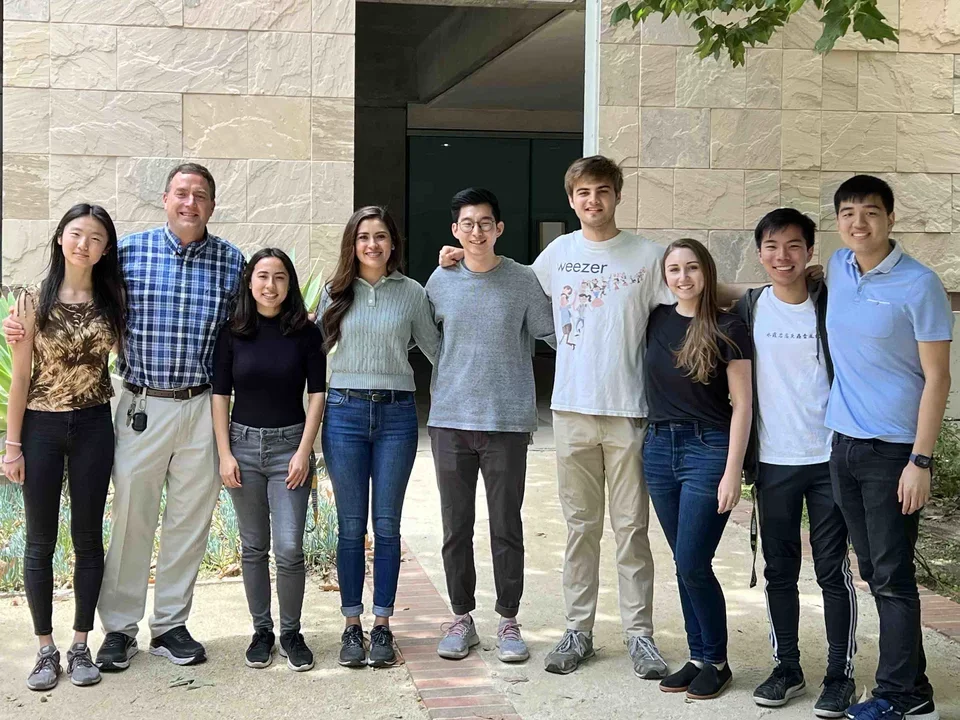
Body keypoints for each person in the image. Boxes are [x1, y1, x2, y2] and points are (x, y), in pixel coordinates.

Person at [5, 163, 246, 669]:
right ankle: (118, 628)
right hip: (140, 404)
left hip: (202, 406)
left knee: (189, 520)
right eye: (181, 193)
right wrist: (20, 322)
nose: (190, 203)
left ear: (212, 206)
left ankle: (171, 624)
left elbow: (254, 320)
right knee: (132, 519)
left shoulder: (231, 261)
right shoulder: (130, 253)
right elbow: (75, 291)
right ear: (164, 198)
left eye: (200, 195)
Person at [441, 156, 673, 679]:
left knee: (632, 529)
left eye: (603, 191)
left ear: (617, 195)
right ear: (571, 201)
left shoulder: (648, 256)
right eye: (583, 193)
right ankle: (579, 630)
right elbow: (499, 278)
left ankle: (640, 635)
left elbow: (693, 292)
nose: (593, 201)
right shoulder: (556, 256)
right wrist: (459, 254)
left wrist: (761, 295)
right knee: (580, 528)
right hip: (570, 410)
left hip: (628, 411)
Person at [824, 176, 951, 720]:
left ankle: (900, 696)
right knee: (875, 569)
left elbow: (938, 378)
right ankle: (913, 683)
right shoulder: (838, 267)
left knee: (893, 575)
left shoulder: (920, 285)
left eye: (871, 212)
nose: (859, 223)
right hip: (845, 445)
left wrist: (920, 460)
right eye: (849, 213)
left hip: (893, 452)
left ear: (891, 218)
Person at [736, 208, 858, 717]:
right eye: (771, 246)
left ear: (810, 251)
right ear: (759, 253)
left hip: (830, 456)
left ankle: (840, 675)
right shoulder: (748, 308)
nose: (781, 256)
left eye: (792, 246)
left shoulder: (833, 303)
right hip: (773, 460)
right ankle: (787, 665)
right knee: (779, 570)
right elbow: (688, 284)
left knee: (834, 571)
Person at [426, 188, 554, 664]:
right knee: (455, 527)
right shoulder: (439, 280)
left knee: (506, 525)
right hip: (450, 422)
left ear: (499, 229)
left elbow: (552, 334)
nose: (476, 231)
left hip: (505, 423)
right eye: (467, 223)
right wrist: (454, 368)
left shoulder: (523, 280)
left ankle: (508, 620)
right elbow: (425, 336)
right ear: (455, 231)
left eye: (485, 223)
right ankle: (461, 618)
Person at [3, 204, 125, 691]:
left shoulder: (114, 299)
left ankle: (80, 644)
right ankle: (45, 649)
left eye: (95, 238)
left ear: (104, 249)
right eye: (76, 234)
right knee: (40, 541)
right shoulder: (32, 302)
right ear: (59, 239)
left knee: (88, 538)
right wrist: (12, 445)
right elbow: (20, 378)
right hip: (41, 428)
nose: (84, 244)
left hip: (95, 424)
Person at [319, 206, 440, 669]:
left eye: (381, 237)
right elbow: (311, 358)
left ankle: (383, 625)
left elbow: (437, 351)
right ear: (352, 244)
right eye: (364, 237)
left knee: (387, 526)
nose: (372, 245)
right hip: (344, 414)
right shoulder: (334, 293)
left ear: (393, 244)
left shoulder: (411, 294)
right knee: (351, 526)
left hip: (396, 416)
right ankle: (351, 625)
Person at [642, 238, 752, 700]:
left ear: (706, 273)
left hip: (709, 449)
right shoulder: (655, 319)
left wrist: (733, 472)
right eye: (673, 270)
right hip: (657, 448)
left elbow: (744, 405)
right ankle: (698, 656)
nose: (683, 277)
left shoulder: (728, 327)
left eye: (692, 268)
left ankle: (719, 660)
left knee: (693, 561)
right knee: (683, 562)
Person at [212, 248, 326, 672]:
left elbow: (318, 394)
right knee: (254, 546)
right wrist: (225, 454)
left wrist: (304, 451)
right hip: (241, 446)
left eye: (279, 277)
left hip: (289, 449)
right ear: (250, 281)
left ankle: (292, 632)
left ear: (289, 284)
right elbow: (220, 396)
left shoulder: (305, 333)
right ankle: (262, 631)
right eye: (262, 276)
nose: (270, 285)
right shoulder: (232, 332)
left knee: (290, 547)